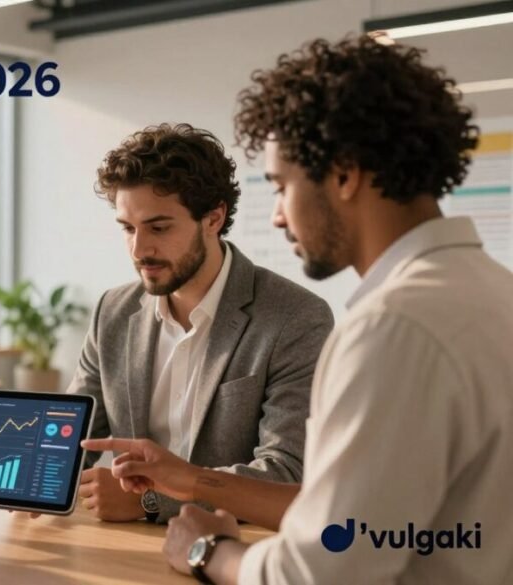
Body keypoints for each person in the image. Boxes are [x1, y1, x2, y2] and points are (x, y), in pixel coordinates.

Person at [85, 35, 513, 585]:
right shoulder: (490, 291)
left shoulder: (392, 328)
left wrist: (207, 550)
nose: (280, 217)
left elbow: (321, 567)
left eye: (283, 186)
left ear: (344, 174)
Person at [70, 123, 333, 524]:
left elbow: (286, 475)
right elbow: (73, 435)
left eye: (159, 228)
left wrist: (151, 502)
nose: (140, 249)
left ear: (213, 218)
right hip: (125, 549)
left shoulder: (295, 318)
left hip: (233, 548)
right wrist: (34, 479)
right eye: (128, 228)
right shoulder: (114, 311)